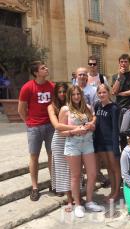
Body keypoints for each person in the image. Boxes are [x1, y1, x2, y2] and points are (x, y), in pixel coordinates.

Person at [59, 85, 103, 218]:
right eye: (74, 95)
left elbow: (93, 126)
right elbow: (61, 132)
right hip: (73, 145)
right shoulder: (65, 110)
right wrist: (74, 131)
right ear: (70, 96)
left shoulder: (88, 108)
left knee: (92, 173)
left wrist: (91, 126)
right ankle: (77, 204)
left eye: (78, 94)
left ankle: (89, 201)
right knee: (76, 176)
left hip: (88, 144)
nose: (76, 97)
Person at [18, 61, 55, 201]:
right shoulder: (27, 87)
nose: (46, 69)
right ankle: (35, 187)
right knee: (34, 156)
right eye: (43, 68)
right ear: (36, 72)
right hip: (34, 127)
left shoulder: (52, 86)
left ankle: (54, 183)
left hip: (50, 126)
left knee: (52, 155)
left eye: (46, 67)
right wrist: (28, 122)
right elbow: (21, 109)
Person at [48, 83, 86, 211]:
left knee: (75, 171)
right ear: (55, 94)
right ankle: (70, 200)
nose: (62, 94)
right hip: (60, 141)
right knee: (64, 171)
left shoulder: (76, 105)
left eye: (64, 91)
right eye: (59, 92)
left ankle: (77, 197)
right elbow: (58, 127)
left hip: (74, 140)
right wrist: (77, 128)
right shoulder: (52, 107)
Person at [94, 84, 121, 201]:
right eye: (99, 93)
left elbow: (116, 128)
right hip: (100, 142)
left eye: (104, 92)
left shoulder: (114, 108)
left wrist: (116, 146)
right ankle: (112, 191)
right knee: (109, 168)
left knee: (115, 167)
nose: (102, 95)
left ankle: (116, 192)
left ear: (109, 93)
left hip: (111, 142)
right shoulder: (97, 105)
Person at [112, 54, 130, 149]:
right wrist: (119, 76)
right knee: (121, 133)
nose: (123, 64)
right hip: (118, 107)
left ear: (129, 63)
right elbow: (114, 91)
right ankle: (124, 152)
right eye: (121, 62)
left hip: (129, 106)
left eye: (126, 62)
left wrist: (121, 94)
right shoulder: (116, 76)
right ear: (119, 63)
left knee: (124, 129)